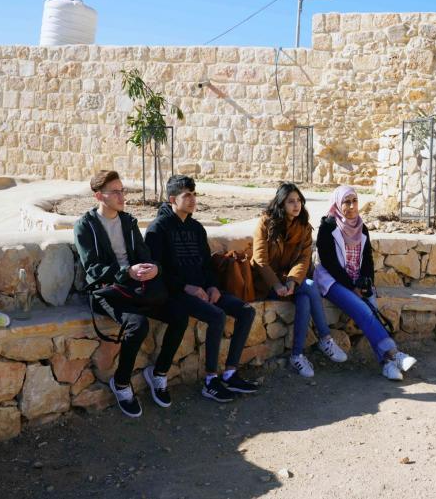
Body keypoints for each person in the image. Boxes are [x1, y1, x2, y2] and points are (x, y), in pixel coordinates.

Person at [74, 170, 189, 418]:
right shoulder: (86, 225)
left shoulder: (128, 221)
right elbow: (93, 269)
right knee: (138, 325)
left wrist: (152, 267)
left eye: (122, 190)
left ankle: (158, 374)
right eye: (115, 191)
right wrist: (128, 272)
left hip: (137, 288)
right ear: (99, 196)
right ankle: (122, 383)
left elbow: (144, 254)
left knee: (179, 314)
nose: (121, 196)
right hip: (108, 292)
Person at [145, 175, 259, 403]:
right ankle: (210, 380)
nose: (192, 200)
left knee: (246, 311)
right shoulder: (158, 229)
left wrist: (213, 286)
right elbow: (159, 271)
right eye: (186, 195)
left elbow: (207, 264)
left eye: (194, 194)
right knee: (217, 316)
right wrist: (187, 287)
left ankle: (230, 373)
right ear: (171, 199)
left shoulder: (197, 228)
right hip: (178, 293)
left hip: (203, 290)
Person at [314, 185, 417, 381]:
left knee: (369, 308)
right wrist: (352, 286)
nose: (351, 206)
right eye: (346, 202)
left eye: (354, 201)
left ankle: (386, 364)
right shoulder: (328, 227)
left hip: (356, 280)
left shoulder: (361, 227)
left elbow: (367, 259)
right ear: (337, 203)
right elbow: (330, 263)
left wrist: (366, 281)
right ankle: (394, 353)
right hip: (332, 281)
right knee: (363, 309)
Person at [252, 182, 348, 378]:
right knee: (310, 288)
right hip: (267, 282)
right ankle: (325, 338)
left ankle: (297, 356)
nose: (296, 205)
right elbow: (260, 260)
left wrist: (292, 282)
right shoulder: (265, 223)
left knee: (305, 296)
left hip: (290, 282)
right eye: (291, 201)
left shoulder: (303, 226)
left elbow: (303, 259)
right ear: (281, 204)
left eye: (299, 201)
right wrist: (277, 284)